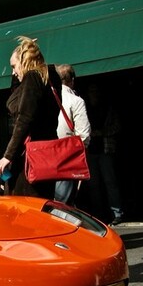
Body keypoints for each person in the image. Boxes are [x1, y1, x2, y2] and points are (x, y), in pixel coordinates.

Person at [0, 36, 62, 199]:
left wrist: (7, 156)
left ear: (24, 61)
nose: (13, 72)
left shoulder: (32, 78)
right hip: (45, 155)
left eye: (14, 66)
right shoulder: (48, 79)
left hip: (30, 157)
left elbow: (24, 118)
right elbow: (17, 99)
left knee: (25, 208)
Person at [84, 83, 124, 225]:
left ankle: (116, 213)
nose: (93, 94)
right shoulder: (85, 109)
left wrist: (102, 132)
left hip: (106, 149)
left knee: (110, 182)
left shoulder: (108, 109)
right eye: (91, 91)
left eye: (95, 91)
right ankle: (98, 216)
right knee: (94, 185)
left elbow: (117, 126)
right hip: (90, 151)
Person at [54, 64, 91, 205]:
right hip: (68, 157)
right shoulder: (76, 101)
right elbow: (84, 135)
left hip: (47, 157)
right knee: (64, 204)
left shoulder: (47, 98)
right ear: (72, 80)